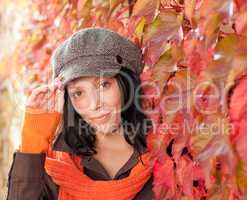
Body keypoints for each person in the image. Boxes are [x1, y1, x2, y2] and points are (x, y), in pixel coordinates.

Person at [5, 27, 154, 200]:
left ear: (126, 83)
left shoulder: (167, 157)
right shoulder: (53, 168)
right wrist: (33, 141)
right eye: (78, 93)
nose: (94, 104)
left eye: (103, 85)